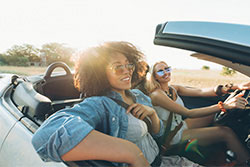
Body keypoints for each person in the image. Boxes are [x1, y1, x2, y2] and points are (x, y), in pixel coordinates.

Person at [31, 42, 201, 167]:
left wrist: (153, 116)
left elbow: (157, 137)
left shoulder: (139, 96)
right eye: (118, 67)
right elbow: (44, 136)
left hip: (165, 162)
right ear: (100, 73)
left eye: (129, 65)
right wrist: (131, 152)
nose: (127, 70)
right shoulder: (100, 104)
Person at [146, 60, 250, 164]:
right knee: (226, 132)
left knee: (213, 115)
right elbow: (188, 113)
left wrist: (236, 87)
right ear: (154, 76)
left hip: (179, 126)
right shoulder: (157, 95)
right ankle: (246, 162)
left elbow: (200, 92)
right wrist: (225, 106)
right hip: (171, 137)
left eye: (167, 69)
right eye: (160, 71)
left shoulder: (173, 88)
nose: (165, 73)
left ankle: (217, 148)